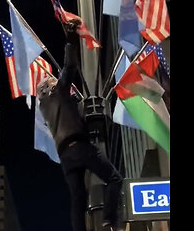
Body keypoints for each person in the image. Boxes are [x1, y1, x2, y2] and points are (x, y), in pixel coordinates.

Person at [37, 19, 122, 231]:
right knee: (114, 178)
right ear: (50, 87)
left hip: (65, 156)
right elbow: (70, 66)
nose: (55, 80)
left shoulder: (44, 107)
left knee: (78, 199)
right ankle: (109, 220)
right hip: (81, 147)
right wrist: (71, 38)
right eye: (52, 80)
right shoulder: (58, 93)